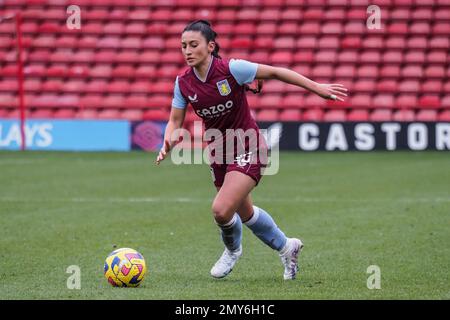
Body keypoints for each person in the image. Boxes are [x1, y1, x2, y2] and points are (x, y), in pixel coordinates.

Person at [156, 20, 347, 280]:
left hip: (249, 145)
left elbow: (278, 72)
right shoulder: (183, 83)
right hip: (218, 151)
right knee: (243, 213)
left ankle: (232, 251)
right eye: (183, 46)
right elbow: (175, 121)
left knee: (221, 209)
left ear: (210, 46)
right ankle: (287, 247)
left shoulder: (232, 69)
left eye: (193, 45)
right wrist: (169, 139)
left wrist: (317, 88)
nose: (187, 50)